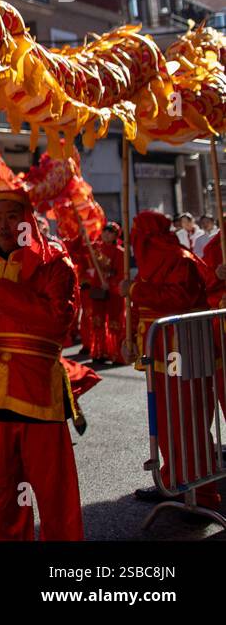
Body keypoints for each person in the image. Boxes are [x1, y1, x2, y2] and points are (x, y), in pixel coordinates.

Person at [0, 189, 88, 540]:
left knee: (53, 493)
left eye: (11, 216)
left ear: (27, 219)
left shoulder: (54, 262)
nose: (3, 225)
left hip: (36, 394)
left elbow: (56, 323)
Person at [121, 211, 220, 510]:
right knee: (165, 423)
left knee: (187, 420)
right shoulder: (151, 262)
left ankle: (200, 492)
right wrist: (129, 339)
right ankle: (173, 481)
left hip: (183, 353)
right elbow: (139, 303)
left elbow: (178, 298)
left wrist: (136, 290)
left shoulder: (181, 259)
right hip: (160, 355)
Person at [88, 223, 126, 364]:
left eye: (110, 232)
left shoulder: (120, 252)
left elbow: (121, 273)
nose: (106, 234)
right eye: (104, 231)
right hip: (98, 290)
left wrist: (110, 283)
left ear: (116, 236)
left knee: (114, 323)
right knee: (97, 321)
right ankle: (99, 352)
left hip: (114, 293)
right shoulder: (95, 249)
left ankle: (116, 354)